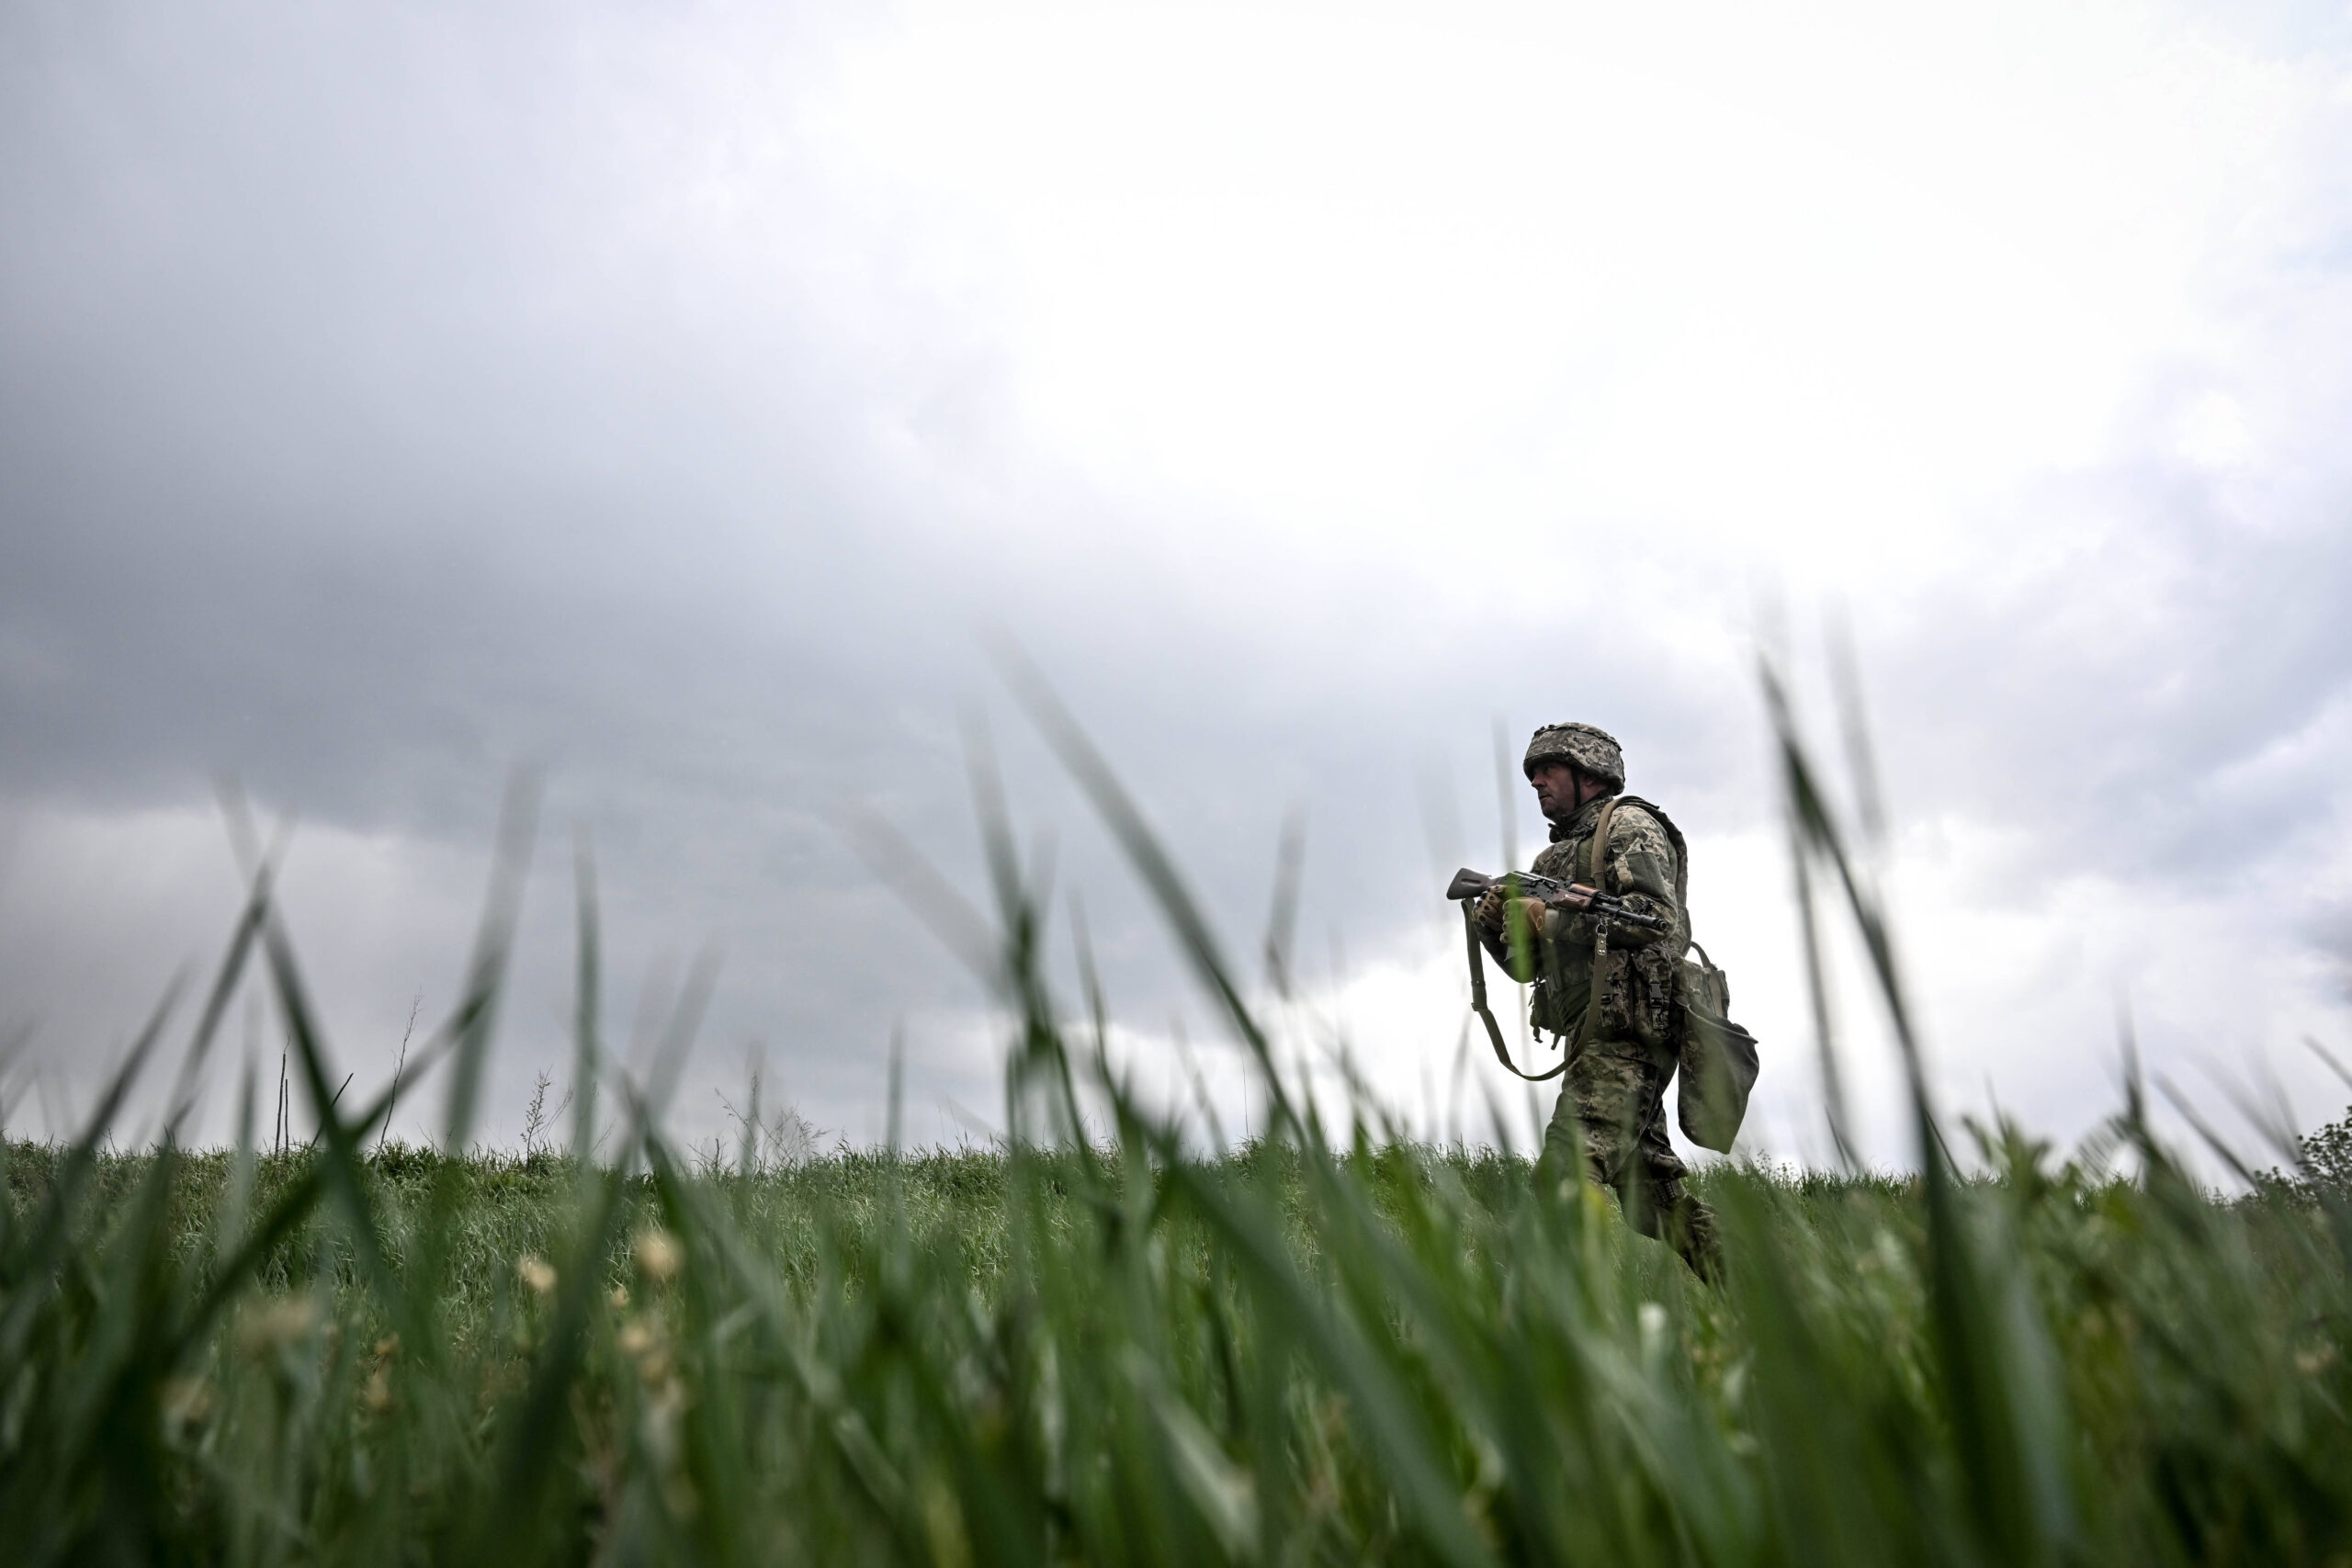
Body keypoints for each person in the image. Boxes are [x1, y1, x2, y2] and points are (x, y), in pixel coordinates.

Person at [1476, 721, 1723, 1281]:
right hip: (1596, 1033)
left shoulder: (1629, 825)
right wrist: (1496, 926)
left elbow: (1656, 920)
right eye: (1532, 773)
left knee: (1566, 1170)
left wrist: (1552, 917)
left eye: (1548, 769)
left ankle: (1556, 1330)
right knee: (1652, 1201)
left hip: (1630, 1030)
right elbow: (1527, 968)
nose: (1536, 781)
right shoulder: (1552, 861)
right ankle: (1765, 1306)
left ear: (1588, 774)